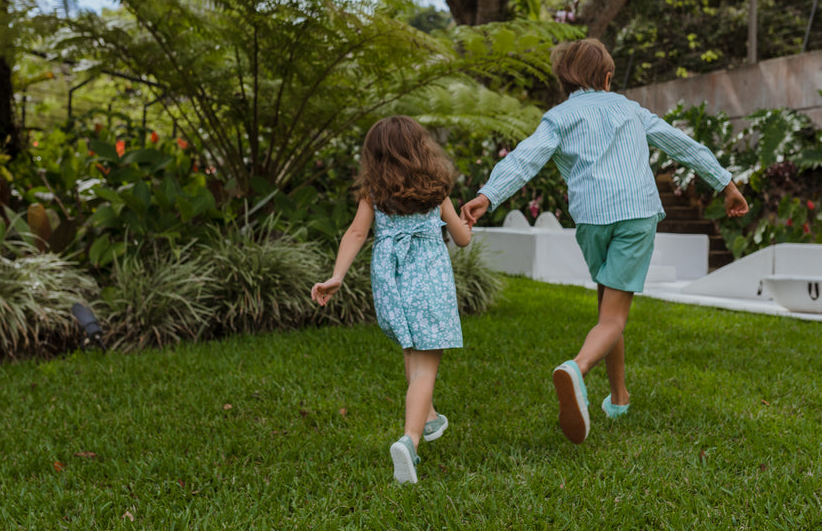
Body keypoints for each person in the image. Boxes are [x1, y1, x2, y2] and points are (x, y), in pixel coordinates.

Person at [461, 38, 748, 445]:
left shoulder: (558, 118)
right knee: (615, 317)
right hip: (635, 214)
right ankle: (577, 368)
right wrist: (726, 184)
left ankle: (618, 396)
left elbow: (523, 159)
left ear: (565, 81)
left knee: (607, 303)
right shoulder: (630, 109)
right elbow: (681, 144)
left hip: (592, 220)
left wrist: (487, 195)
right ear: (608, 78)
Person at [311, 115, 473, 484]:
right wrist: (464, 223)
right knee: (425, 369)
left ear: (375, 157)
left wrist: (336, 277)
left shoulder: (374, 193)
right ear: (422, 150)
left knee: (410, 350)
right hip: (429, 284)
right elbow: (462, 239)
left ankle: (429, 418)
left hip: (392, 284)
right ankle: (410, 441)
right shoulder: (437, 191)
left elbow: (355, 233)